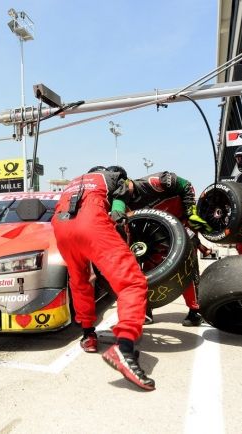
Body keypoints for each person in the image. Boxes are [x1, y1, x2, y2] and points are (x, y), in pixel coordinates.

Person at [51, 165, 155, 391]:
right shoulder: (114, 176)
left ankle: (88, 335)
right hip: (91, 225)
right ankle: (124, 348)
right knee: (132, 283)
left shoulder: (74, 181)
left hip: (61, 227)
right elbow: (118, 210)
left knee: (79, 281)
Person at [119, 167, 211, 326]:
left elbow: (186, 185)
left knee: (187, 267)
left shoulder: (154, 181)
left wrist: (189, 212)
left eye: (121, 187)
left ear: (127, 181)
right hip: (154, 233)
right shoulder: (121, 202)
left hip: (182, 223)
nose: (120, 193)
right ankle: (146, 310)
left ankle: (195, 311)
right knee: (147, 271)